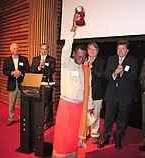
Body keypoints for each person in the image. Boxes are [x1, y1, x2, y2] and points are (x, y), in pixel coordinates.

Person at [52, 16, 87, 158]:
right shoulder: (67, 63)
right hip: (66, 105)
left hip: (79, 107)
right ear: (74, 54)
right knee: (63, 134)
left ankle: (73, 155)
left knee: (74, 135)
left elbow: (87, 89)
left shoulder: (85, 69)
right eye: (78, 56)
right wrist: (74, 28)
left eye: (83, 56)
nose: (81, 58)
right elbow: (67, 46)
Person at [97, 40, 138, 149]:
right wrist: (114, 73)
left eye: (123, 48)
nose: (120, 51)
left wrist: (123, 73)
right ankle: (104, 138)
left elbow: (134, 77)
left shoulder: (133, 60)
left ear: (127, 50)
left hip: (125, 96)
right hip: (111, 95)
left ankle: (118, 139)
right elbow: (106, 75)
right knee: (108, 118)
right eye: (118, 48)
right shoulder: (111, 59)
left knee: (122, 120)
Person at [3, 43, 30, 126]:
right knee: (11, 103)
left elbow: (28, 69)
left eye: (17, 48)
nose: (16, 50)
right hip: (12, 84)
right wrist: (12, 72)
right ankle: (11, 118)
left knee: (23, 103)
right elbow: (4, 71)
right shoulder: (7, 60)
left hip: (22, 84)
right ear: (11, 50)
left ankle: (23, 119)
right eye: (14, 48)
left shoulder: (24, 59)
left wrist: (21, 73)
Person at [30, 43, 56, 127]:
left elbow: (52, 71)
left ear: (47, 50)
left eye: (45, 49)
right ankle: (38, 120)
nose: (44, 50)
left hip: (47, 84)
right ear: (39, 50)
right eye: (42, 49)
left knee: (48, 103)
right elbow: (32, 70)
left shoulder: (51, 59)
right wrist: (39, 67)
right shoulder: (35, 59)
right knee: (38, 103)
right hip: (37, 84)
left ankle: (49, 121)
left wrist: (44, 66)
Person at [85, 42, 105, 144]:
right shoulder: (83, 60)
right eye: (90, 49)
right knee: (84, 113)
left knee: (96, 114)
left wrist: (92, 68)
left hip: (97, 92)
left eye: (94, 50)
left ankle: (94, 133)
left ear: (97, 52)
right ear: (87, 51)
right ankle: (84, 132)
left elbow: (102, 74)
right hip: (85, 93)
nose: (92, 52)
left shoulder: (101, 61)